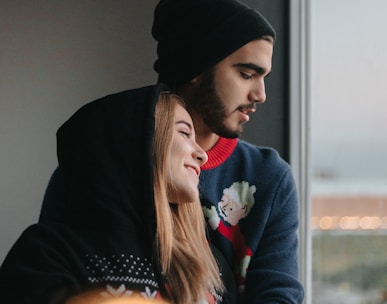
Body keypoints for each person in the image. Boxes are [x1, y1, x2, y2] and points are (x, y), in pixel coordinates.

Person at [40, 0, 304, 302]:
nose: (260, 95)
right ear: (196, 67)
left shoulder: (269, 177)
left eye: (263, 78)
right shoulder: (96, 165)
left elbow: (279, 296)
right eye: (246, 74)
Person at [0, 89, 236, 304]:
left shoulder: (212, 266)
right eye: (184, 132)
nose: (202, 155)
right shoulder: (47, 252)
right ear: (132, 141)